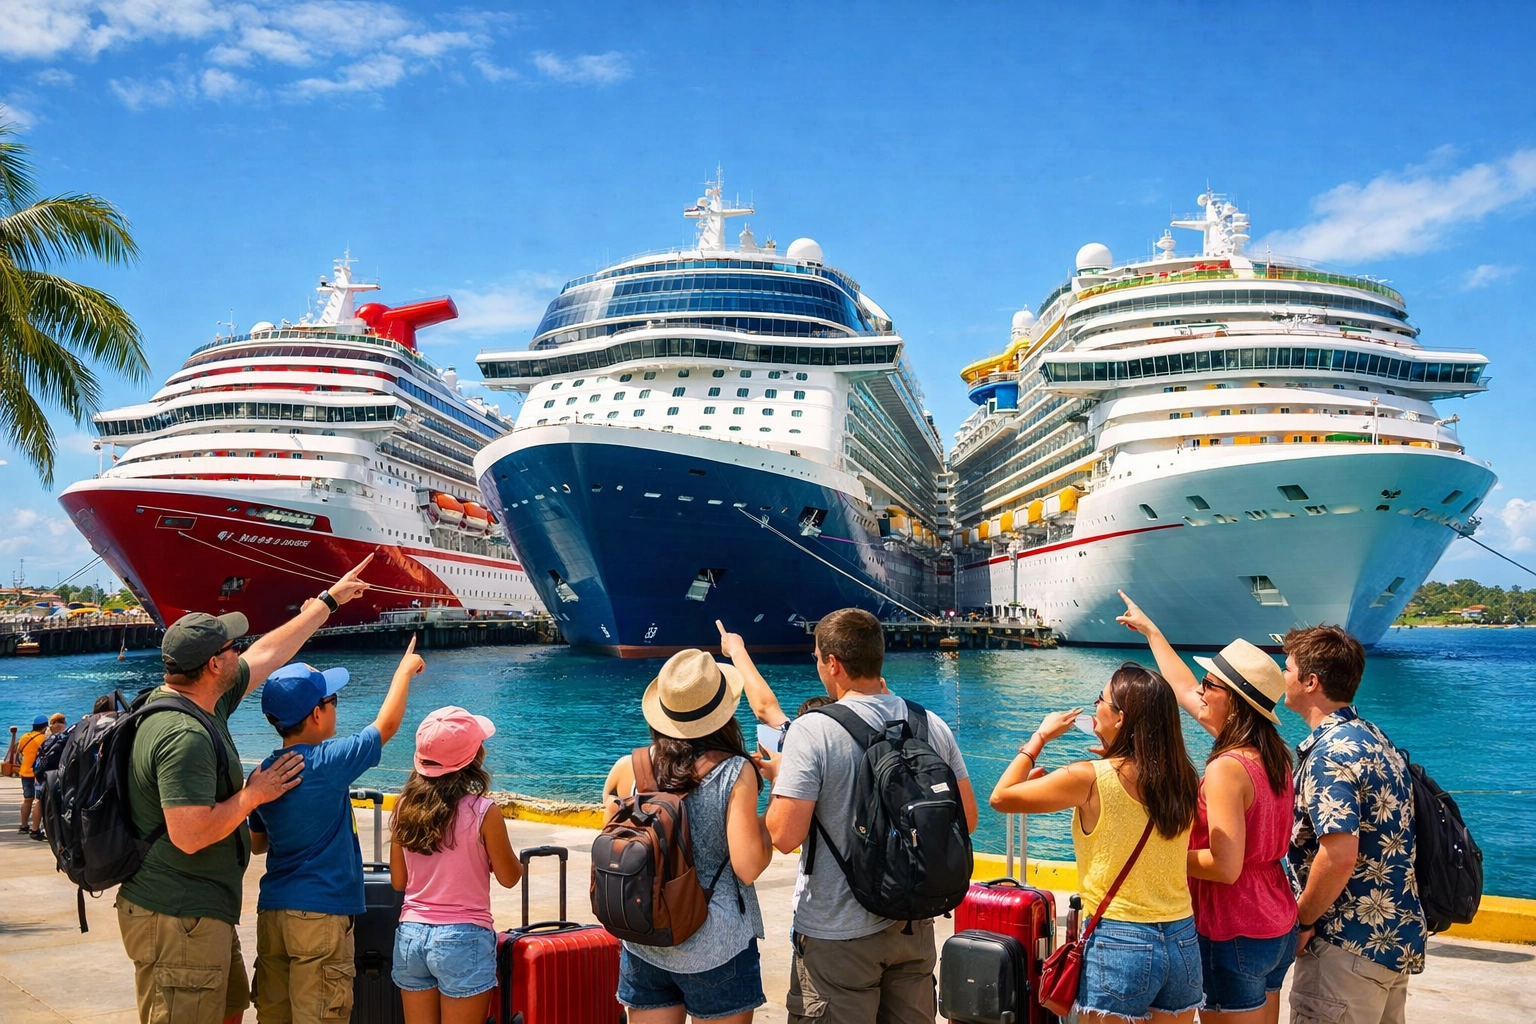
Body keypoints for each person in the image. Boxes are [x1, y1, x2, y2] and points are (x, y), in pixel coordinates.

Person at [117, 556, 376, 1024]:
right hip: (178, 916)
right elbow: (190, 833)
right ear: (214, 664)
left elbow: (269, 654)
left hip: (202, 914)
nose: (242, 651)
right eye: (233, 647)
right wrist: (253, 795)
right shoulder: (185, 735)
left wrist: (329, 601)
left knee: (232, 1008)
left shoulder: (198, 700)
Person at [762, 607, 978, 1024]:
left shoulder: (814, 730)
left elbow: (785, 836)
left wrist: (777, 781)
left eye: (817, 658)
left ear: (833, 663)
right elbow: (966, 821)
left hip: (838, 934)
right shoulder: (929, 723)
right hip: (912, 926)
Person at [1118, 592, 1297, 1024]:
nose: (1201, 689)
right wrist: (1153, 632)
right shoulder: (1272, 753)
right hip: (1274, 918)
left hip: (1231, 926)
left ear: (1232, 700)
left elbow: (1224, 866)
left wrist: (1157, 855)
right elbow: (1182, 688)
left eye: (1211, 685)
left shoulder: (1227, 768)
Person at [989, 662, 1202, 1024]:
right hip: (1181, 938)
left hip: (1121, 939)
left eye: (1100, 699)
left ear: (1121, 718)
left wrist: (1038, 739)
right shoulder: (1182, 777)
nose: (1094, 707)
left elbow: (1001, 797)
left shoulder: (1087, 778)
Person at [247, 637, 424, 1024]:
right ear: (315, 714)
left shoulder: (261, 773)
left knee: (275, 1015)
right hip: (321, 914)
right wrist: (403, 672)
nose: (334, 709)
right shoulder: (328, 762)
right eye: (332, 703)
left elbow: (258, 844)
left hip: (273, 912)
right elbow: (387, 725)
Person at [599, 648, 773, 1024]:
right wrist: (774, 807)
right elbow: (748, 866)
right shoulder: (735, 772)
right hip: (715, 945)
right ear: (722, 713)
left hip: (644, 937)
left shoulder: (628, 767)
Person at [1283, 626, 1424, 1024]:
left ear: (1311, 682)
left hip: (1345, 948)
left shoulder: (1329, 753)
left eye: (1288, 668)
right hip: (1391, 939)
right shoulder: (1376, 739)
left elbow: (1340, 854)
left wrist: (1303, 920)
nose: (1283, 675)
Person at [389, 706, 522, 1024]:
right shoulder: (483, 811)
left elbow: (398, 881)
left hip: (410, 936)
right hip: (464, 938)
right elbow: (508, 877)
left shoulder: (403, 807)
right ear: (472, 759)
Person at [16, 714, 48, 839]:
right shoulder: (44, 738)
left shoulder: (25, 736)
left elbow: (20, 751)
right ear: (44, 727)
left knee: (27, 800)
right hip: (38, 773)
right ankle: (35, 829)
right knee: (39, 801)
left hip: (25, 772)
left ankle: (24, 826)